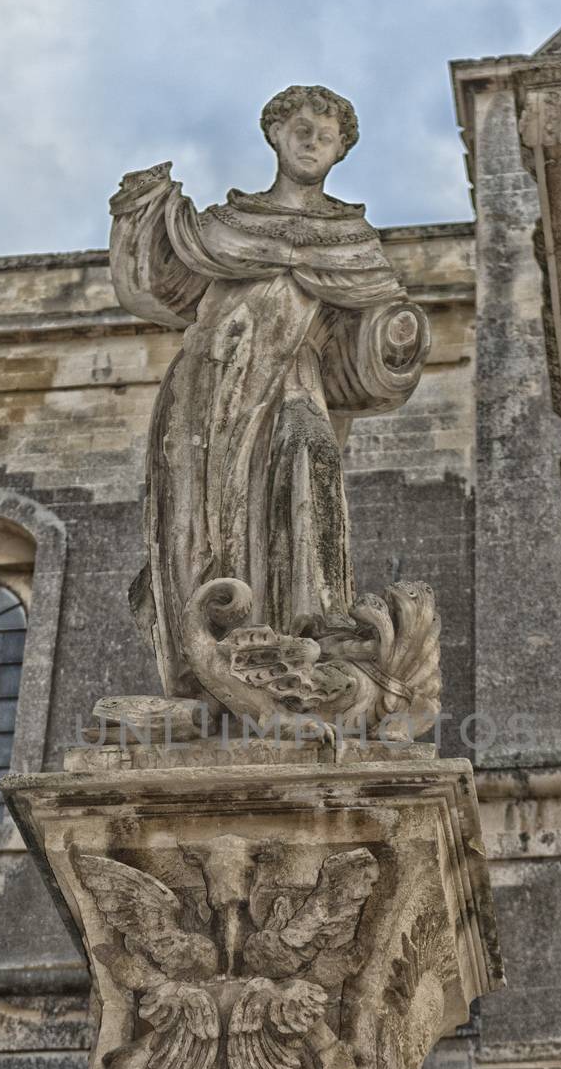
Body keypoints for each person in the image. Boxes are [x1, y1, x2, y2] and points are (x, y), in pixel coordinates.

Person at [108, 84, 429, 707]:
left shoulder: (351, 240)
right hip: (207, 390)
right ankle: (212, 648)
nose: (312, 142)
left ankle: (309, 628)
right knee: (203, 518)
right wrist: (141, 215)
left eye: (326, 135)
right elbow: (159, 284)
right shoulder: (226, 226)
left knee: (306, 468)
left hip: (295, 384)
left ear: (342, 151)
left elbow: (371, 343)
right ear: (275, 136)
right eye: (301, 129)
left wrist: (396, 338)